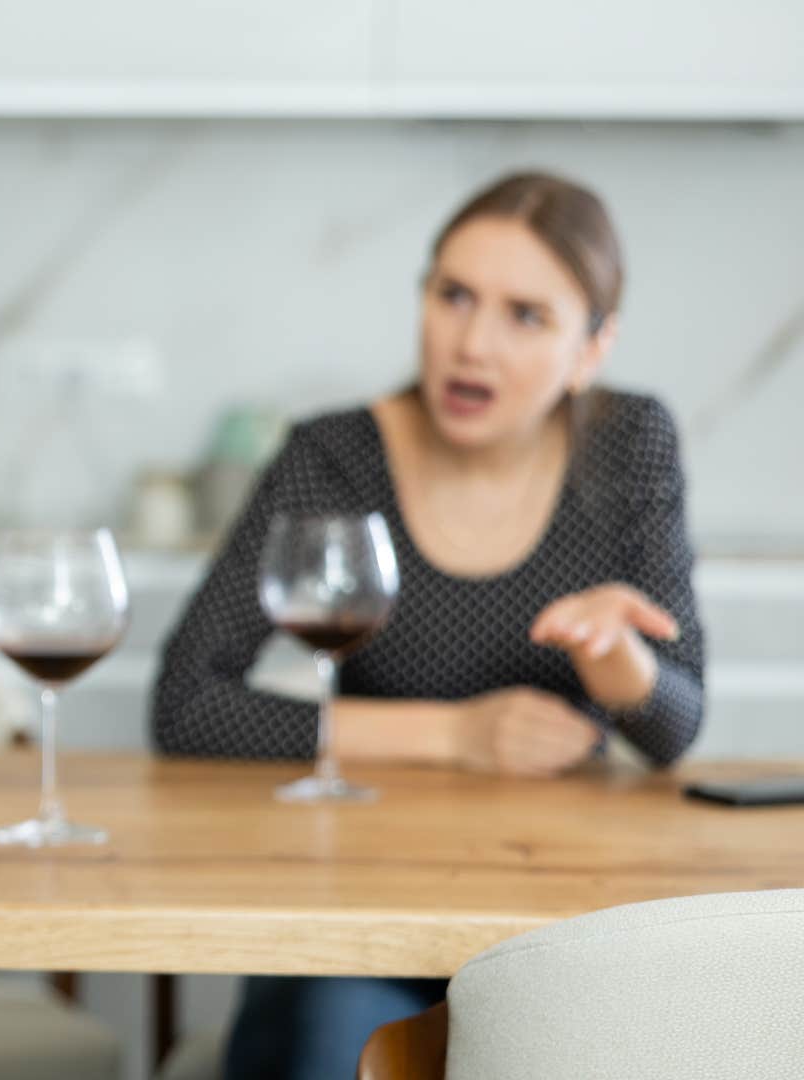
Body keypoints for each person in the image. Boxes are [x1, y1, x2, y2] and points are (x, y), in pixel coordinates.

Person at [150, 171, 704, 1080]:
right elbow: (185, 704)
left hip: (557, 924)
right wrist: (456, 735)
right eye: (453, 296)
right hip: (358, 923)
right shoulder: (332, 456)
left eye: (526, 315)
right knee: (338, 1030)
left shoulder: (631, 443)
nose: (472, 344)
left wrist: (621, 667)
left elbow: (678, 725)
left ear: (591, 349)